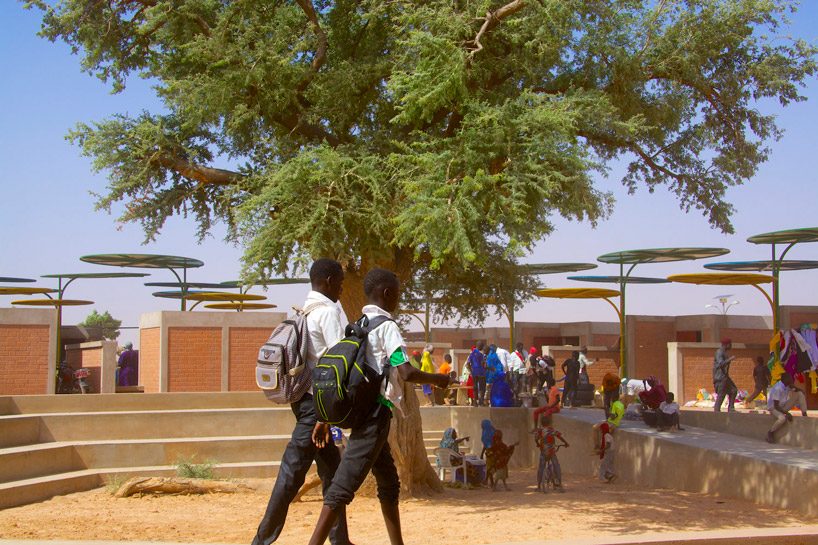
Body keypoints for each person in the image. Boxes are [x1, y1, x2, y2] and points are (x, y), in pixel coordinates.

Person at [306, 268, 451, 545]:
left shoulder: (360, 322)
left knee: (388, 482)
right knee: (342, 487)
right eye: (397, 293)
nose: (398, 298)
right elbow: (406, 372)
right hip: (375, 415)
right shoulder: (387, 327)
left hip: (362, 409)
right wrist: (439, 380)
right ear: (387, 293)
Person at [253, 258, 352, 545]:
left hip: (302, 400)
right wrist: (327, 415)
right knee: (291, 473)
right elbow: (339, 363)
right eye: (341, 282)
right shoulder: (328, 312)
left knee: (332, 472)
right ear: (329, 281)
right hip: (316, 407)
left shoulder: (302, 311)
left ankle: (340, 539)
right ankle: (261, 540)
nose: (342, 288)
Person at [766, 373, 808, 444]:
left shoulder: (787, 385)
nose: (791, 379)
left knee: (799, 393)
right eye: (790, 378)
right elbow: (776, 406)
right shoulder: (778, 388)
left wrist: (800, 390)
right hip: (774, 408)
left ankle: (804, 414)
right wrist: (787, 413)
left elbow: (795, 389)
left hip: (783, 406)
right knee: (782, 418)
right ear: (785, 380)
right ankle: (770, 432)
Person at [534, 415, 569, 491]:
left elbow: (536, 439)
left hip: (543, 451)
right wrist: (566, 443)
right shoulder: (551, 430)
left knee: (541, 467)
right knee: (556, 466)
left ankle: (539, 486)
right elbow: (559, 436)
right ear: (549, 422)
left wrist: (538, 444)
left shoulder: (540, 431)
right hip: (551, 452)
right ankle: (560, 484)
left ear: (541, 423)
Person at [713, 338, 737, 412]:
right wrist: (730, 359)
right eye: (730, 344)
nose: (731, 346)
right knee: (721, 394)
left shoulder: (724, 352)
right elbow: (721, 363)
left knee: (733, 390)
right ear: (727, 345)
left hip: (725, 377)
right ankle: (716, 412)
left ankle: (731, 408)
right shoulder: (719, 352)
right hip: (720, 377)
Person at [469, 341, 488, 406]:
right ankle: (481, 401)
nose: (482, 348)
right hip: (481, 373)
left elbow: (468, 364)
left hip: (474, 373)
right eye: (482, 346)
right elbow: (483, 364)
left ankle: (475, 402)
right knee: (482, 387)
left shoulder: (471, 354)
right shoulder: (481, 355)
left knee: (475, 387)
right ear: (480, 346)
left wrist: (471, 371)